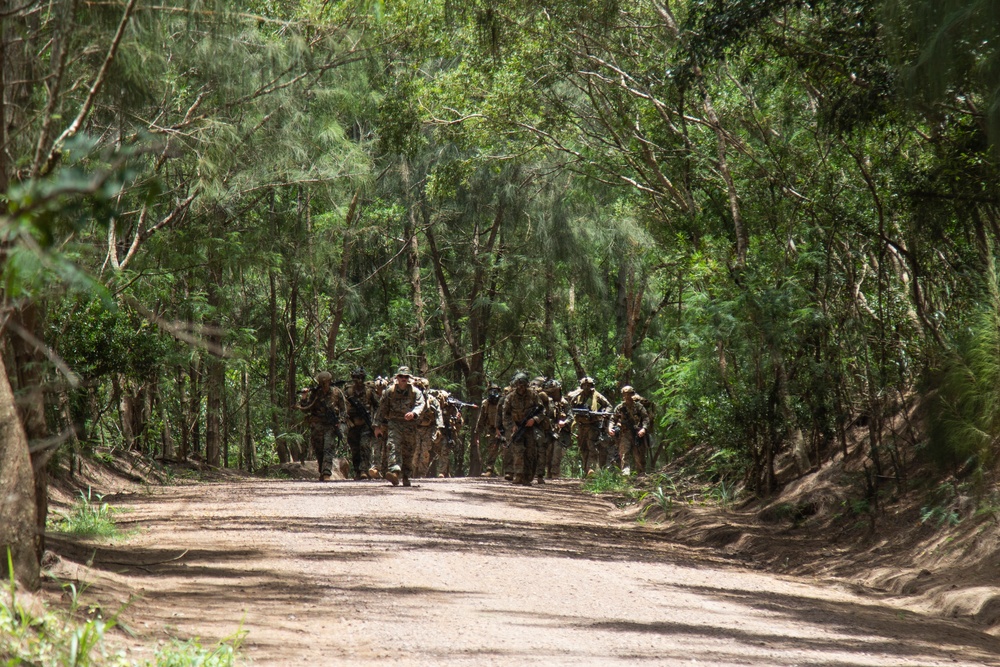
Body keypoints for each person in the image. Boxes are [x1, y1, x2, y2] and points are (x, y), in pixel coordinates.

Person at [374, 366, 426, 487]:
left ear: (409, 378)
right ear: (397, 377)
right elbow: (381, 409)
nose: (403, 379)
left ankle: (406, 476)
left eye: (406, 377)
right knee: (393, 445)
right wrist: (377, 426)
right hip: (394, 423)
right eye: (401, 376)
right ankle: (395, 472)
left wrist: (413, 413)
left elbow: (420, 404)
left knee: (408, 450)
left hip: (410, 425)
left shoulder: (415, 392)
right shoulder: (389, 391)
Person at [296, 371, 348, 481]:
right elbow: (306, 409)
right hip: (317, 425)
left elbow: (344, 410)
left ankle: (326, 472)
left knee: (328, 448)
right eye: (321, 383)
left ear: (329, 381)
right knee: (319, 450)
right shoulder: (315, 394)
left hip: (330, 426)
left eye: (325, 382)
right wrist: (304, 397)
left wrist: (340, 421)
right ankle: (322, 470)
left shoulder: (337, 392)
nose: (323, 385)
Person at [501, 372, 545, 485]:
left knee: (531, 452)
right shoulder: (510, 397)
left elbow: (542, 411)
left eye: (523, 385)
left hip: (530, 429)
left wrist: (534, 419)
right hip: (517, 428)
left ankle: (528, 477)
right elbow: (505, 415)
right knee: (518, 451)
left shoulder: (533, 395)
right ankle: (518, 475)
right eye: (519, 385)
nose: (521, 388)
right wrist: (512, 426)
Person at [568, 376, 612, 475]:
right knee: (583, 448)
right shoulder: (578, 395)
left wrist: (603, 412)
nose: (586, 387)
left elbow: (609, 406)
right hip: (581, 425)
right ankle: (585, 469)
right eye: (584, 385)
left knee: (592, 447)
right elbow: (570, 404)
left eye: (588, 385)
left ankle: (591, 469)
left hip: (593, 425)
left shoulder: (596, 395)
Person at [343, 367, 380, 480]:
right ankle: (357, 471)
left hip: (365, 423)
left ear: (363, 378)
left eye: (359, 378)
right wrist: (346, 419)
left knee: (364, 445)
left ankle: (364, 470)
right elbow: (341, 406)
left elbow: (378, 406)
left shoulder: (369, 391)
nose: (357, 380)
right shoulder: (348, 391)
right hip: (352, 424)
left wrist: (376, 421)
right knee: (355, 449)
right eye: (354, 377)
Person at [609, 385, 651, 474]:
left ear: (632, 394)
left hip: (637, 434)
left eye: (629, 394)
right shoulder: (620, 407)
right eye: (624, 394)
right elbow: (613, 419)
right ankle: (625, 475)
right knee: (624, 454)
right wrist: (610, 428)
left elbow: (646, 418)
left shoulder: (638, 406)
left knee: (639, 456)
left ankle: (641, 474)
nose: (627, 396)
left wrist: (643, 429)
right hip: (624, 434)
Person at [543, 379, 572, 478]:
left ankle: (555, 472)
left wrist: (564, 422)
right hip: (548, 431)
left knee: (557, 452)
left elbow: (570, 416)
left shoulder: (564, 403)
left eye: (554, 391)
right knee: (547, 453)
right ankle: (548, 472)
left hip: (561, 432)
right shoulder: (546, 402)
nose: (552, 394)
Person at [475, 384, 503, 476]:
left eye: (495, 391)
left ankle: (510, 471)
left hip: (504, 428)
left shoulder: (503, 402)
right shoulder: (486, 403)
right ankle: (489, 470)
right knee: (492, 449)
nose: (493, 393)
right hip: (491, 429)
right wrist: (478, 430)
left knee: (508, 449)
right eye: (491, 391)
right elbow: (482, 418)